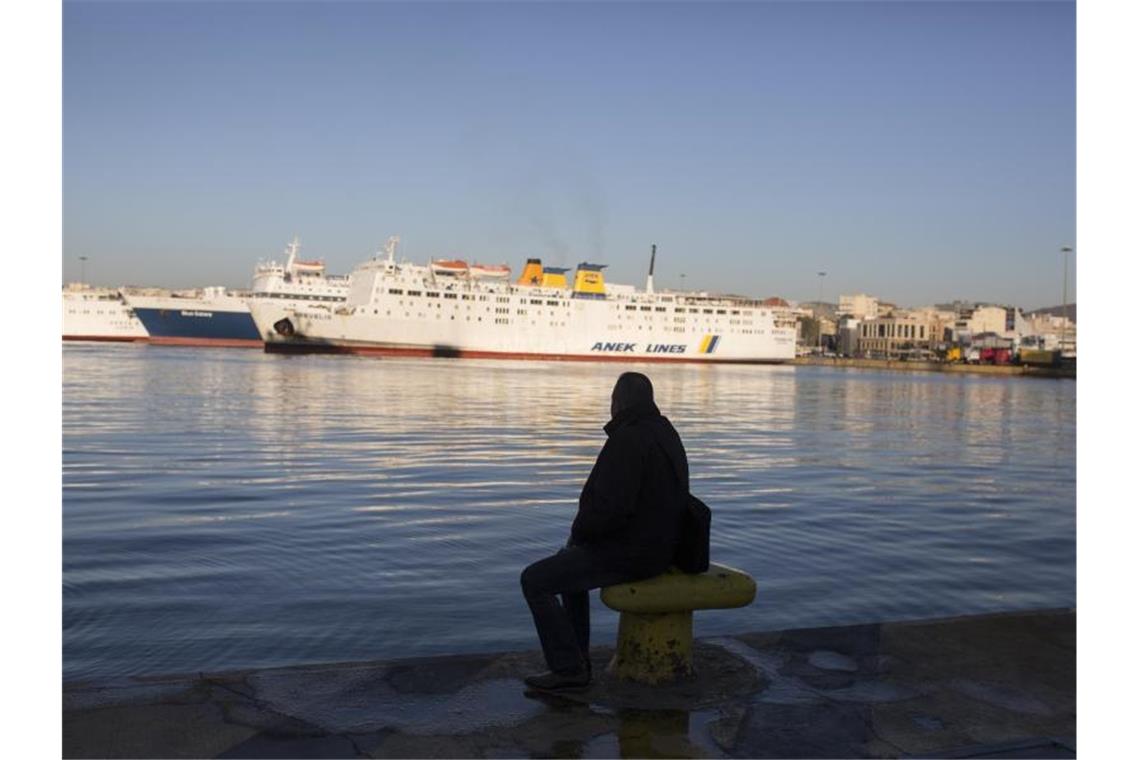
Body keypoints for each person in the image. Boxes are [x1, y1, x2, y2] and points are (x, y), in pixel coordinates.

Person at [519, 371, 689, 690]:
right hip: (660, 547)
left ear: (619, 402)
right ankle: (577, 659)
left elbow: (610, 509)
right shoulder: (665, 432)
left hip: (632, 554)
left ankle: (569, 669)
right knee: (569, 573)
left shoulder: (628, 439)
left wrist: (580, 537)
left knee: (535, 580)